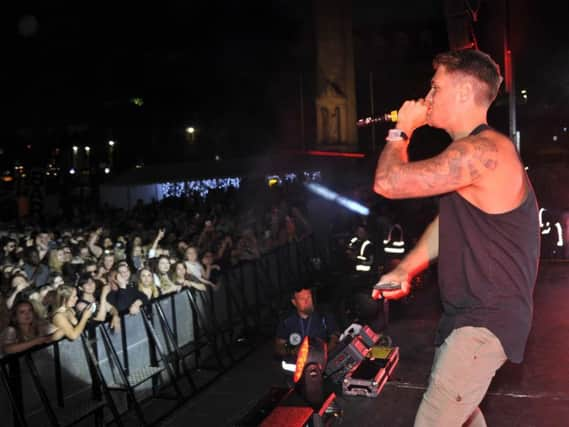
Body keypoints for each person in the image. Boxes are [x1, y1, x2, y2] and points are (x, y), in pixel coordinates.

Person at [371, 49, 540, 427]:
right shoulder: (471, 154)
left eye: (435, 88)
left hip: (485, 321)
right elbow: (449, 224)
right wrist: (407, 268)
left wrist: (402, 129)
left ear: (464, 93)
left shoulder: (484, 152)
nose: (427, 98)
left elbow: (388, 182)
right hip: (473, 317)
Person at [275, 287, 339, 359]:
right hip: (297, 365)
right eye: (302, 299)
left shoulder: (324, 315)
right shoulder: (286, 320)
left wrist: (323, 352)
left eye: (309, 297)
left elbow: (335, 338)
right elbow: (279, 346)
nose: (307, 301)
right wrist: (293, 351)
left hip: (322, 362)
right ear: (294, 302)